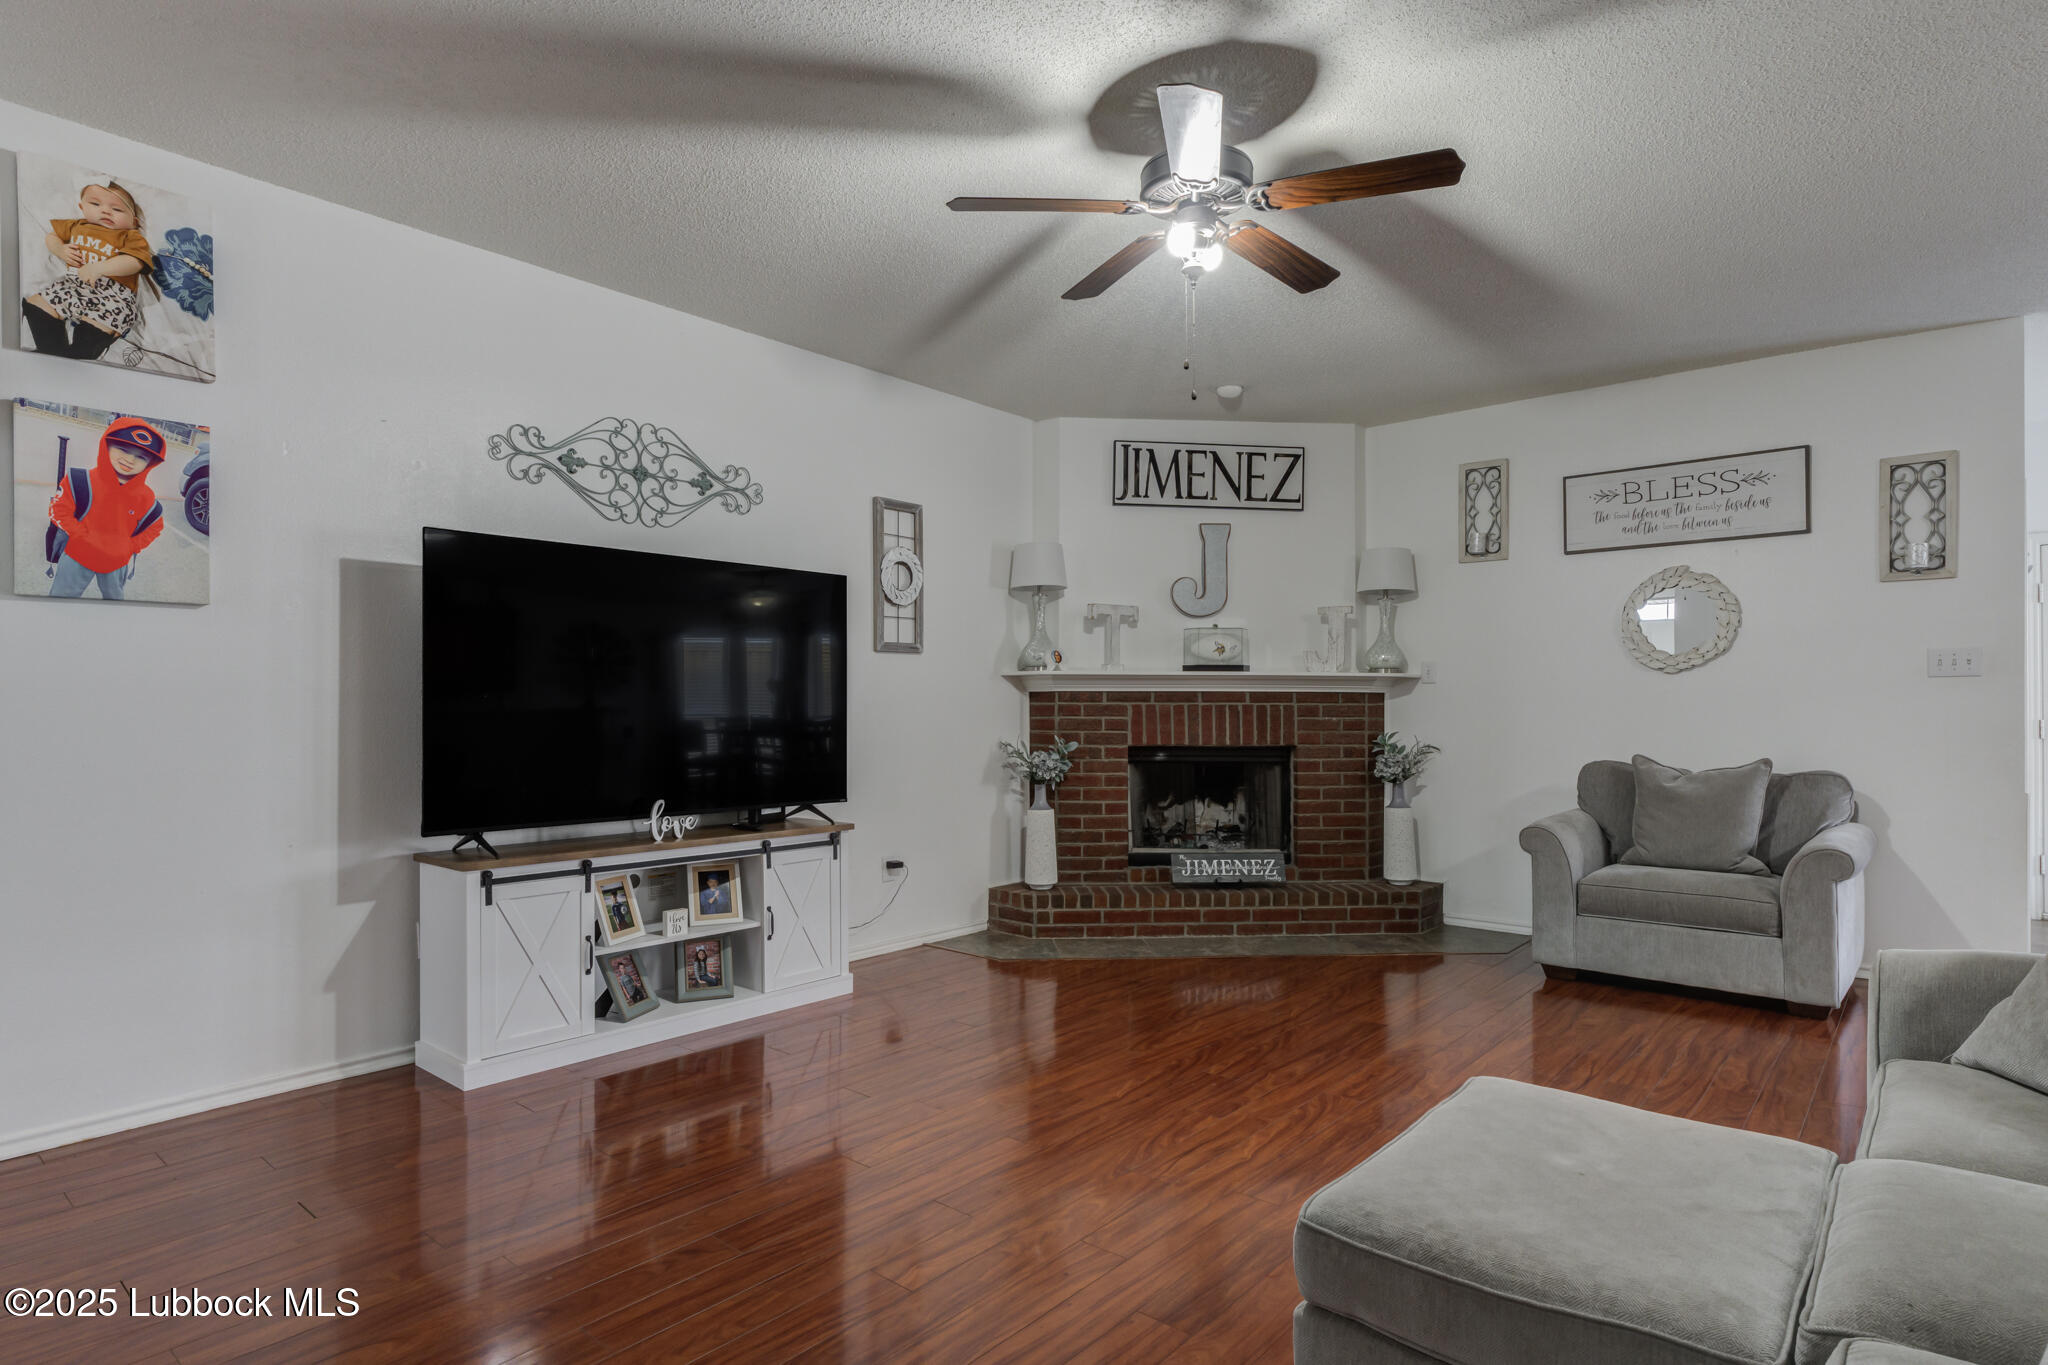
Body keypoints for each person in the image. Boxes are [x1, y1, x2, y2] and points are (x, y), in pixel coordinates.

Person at [23, 180, 155, 362]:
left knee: (99, 327)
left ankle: (78, 354)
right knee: (37, 303)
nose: (106, 211)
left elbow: (135, 262)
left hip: (112, 295)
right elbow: (51, 236)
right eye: (95, 204)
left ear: (134, 222)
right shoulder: (77, 225)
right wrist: (60, 249)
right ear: (82, 207)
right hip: (74, 285)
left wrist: (101, 267)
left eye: (117, 209)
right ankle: (53, 353)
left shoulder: (130, 236)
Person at [48, 417, 170, 600]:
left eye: (141, 457)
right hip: (78, 554)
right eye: (123, 449)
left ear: (150, 463)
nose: (130, 459)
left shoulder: (147, 498)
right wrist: (80, 535)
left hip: (116, 562)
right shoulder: (79, 480)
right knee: (61, 598)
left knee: (114, 601)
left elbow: (155, 527)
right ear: (107, 445)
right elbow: (58, 510)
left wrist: (130, 546)